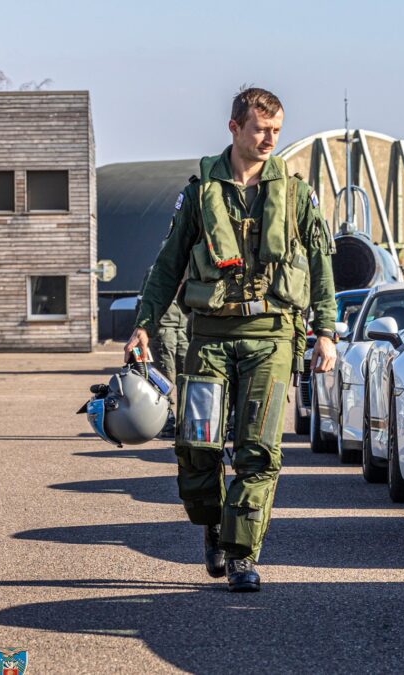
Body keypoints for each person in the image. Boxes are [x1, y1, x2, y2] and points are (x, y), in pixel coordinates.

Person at [128, 87, 337, 592]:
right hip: (212, 337)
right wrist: (144, 323)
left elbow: (320, 261)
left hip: (272, 336)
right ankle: (213, 526)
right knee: (197, 446)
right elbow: (168, 265)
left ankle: (241, 554)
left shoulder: (294, 192)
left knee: (258, 451)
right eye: (261, 129)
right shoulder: (202, 190)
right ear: (235, 128)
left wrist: (326, 330)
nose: (270, 139)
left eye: (276, 131)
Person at [136, 265, 189, 438]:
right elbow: (144, 301)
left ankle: (185, 418)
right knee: (165, 376)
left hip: (184, 328)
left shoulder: (192, 270)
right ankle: (165, 419)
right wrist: (145, 330)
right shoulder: (156, 270)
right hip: (163, 329)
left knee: (188, 375)